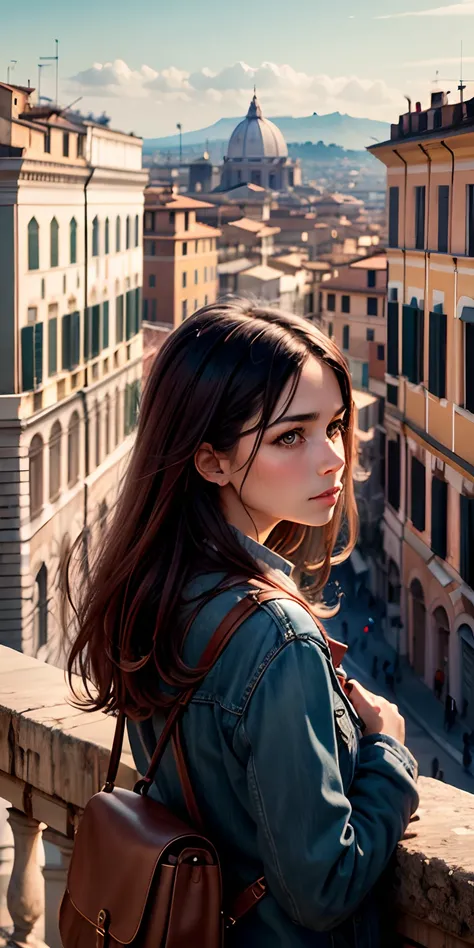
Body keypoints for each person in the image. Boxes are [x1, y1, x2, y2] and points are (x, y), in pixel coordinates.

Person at [64, 302, 419, 947]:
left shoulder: (157, 590)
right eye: (292, 436)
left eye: (335, 425)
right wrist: (389, 751)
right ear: (211, 462)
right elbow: (322, 888)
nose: (334, 457)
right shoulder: (279, 638)